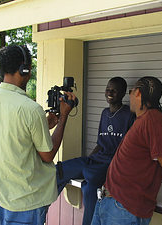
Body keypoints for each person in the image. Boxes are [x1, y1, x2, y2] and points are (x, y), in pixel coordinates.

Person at [0, 45, 76, 225]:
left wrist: (44, 125)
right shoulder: (31, 109)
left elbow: (10, 135)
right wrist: (63, 117)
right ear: (25, 69)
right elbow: (47, 155)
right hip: (25, 202)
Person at [91, 76, 162, 225]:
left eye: (131, 91)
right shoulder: (142, 119)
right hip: (109, 202)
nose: (130, 95)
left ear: (138, 93)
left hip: (123, 210)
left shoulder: (154, 119)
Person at [56, 77, 135, 225]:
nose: (109, 92)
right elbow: (100, 143)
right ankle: (39, 207)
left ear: (123, 93)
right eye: (108, 89)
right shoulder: (104, 113)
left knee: (90, 183)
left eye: (114, 90)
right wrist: (87, 160)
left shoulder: (129, 115)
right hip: (97, 160)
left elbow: (128, 150)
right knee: (59, 170)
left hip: (112, 164)